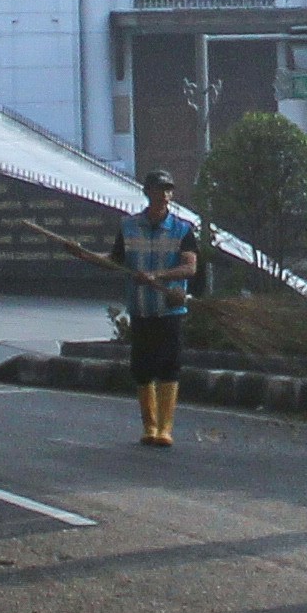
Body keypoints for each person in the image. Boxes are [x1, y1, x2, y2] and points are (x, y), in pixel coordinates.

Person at [106, 168, 212, 446]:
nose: (164, 195)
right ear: (148, 193)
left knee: (169, 366)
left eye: (168, 190)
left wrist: (159, 276)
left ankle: (165, 427)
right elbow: (115, 260)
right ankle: (149, 426)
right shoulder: (129, 227)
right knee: (142, 367)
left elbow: (190, 267)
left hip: (170, 309)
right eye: (159, 189)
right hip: (141, 309)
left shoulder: (181, 229)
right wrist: (84, 253)